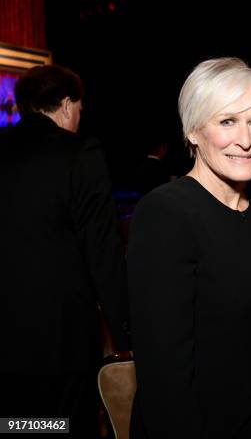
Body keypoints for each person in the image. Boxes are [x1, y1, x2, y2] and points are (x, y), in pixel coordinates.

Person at [127, 57, 251, 438]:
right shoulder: (166, 213)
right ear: (194, 132)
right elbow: (163, 373)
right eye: (227, 121)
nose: (246, 140)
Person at [0, 65, 130, 437]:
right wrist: (126, 335)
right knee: (64, 427)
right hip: (59, 342)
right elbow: (103, 250)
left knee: (16, 426)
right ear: (68, 104)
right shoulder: (80, 153)